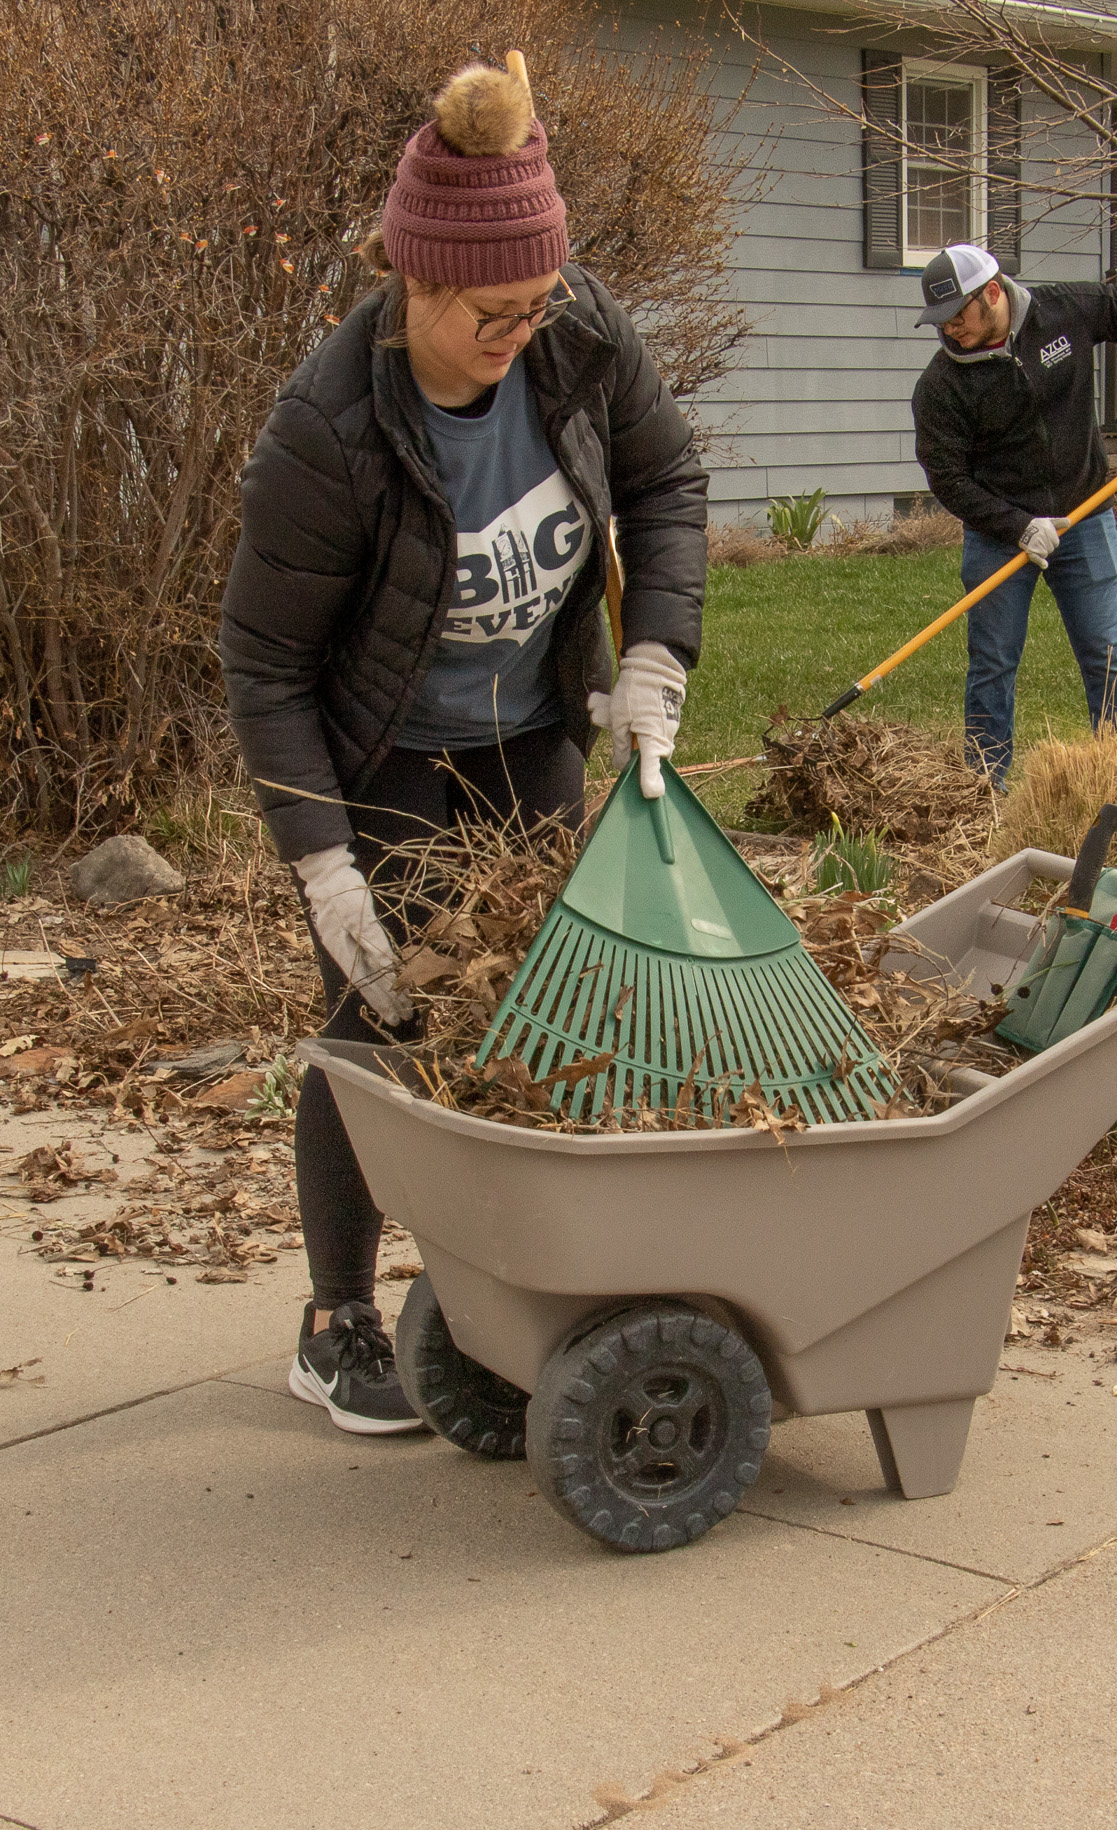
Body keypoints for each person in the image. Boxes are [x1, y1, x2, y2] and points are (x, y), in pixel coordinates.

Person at [219, 62, 707, 1435]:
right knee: (381, 1021)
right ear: (416, 283)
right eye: (493, 312)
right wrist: (325, 866)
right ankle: (336, 1318)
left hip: (530, 730)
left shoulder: (580, 332)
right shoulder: (328, 431)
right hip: (383, 750)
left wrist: (657, 650)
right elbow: (261, 661)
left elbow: (667, 478)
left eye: (537, 304)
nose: (520, 332)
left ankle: (507, 1294)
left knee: (547, 1005)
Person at [909, 243, 1117, 784]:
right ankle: (986, 791)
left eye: (957, 316)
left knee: (1106, 652)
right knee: (992, 665)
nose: (949, 330)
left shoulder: (1064, 312)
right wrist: (1018, 526)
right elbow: (948, 479)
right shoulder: (941, 387)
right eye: (940, 321)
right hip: (1000, 533)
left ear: (993, 294)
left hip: (1084, 515)